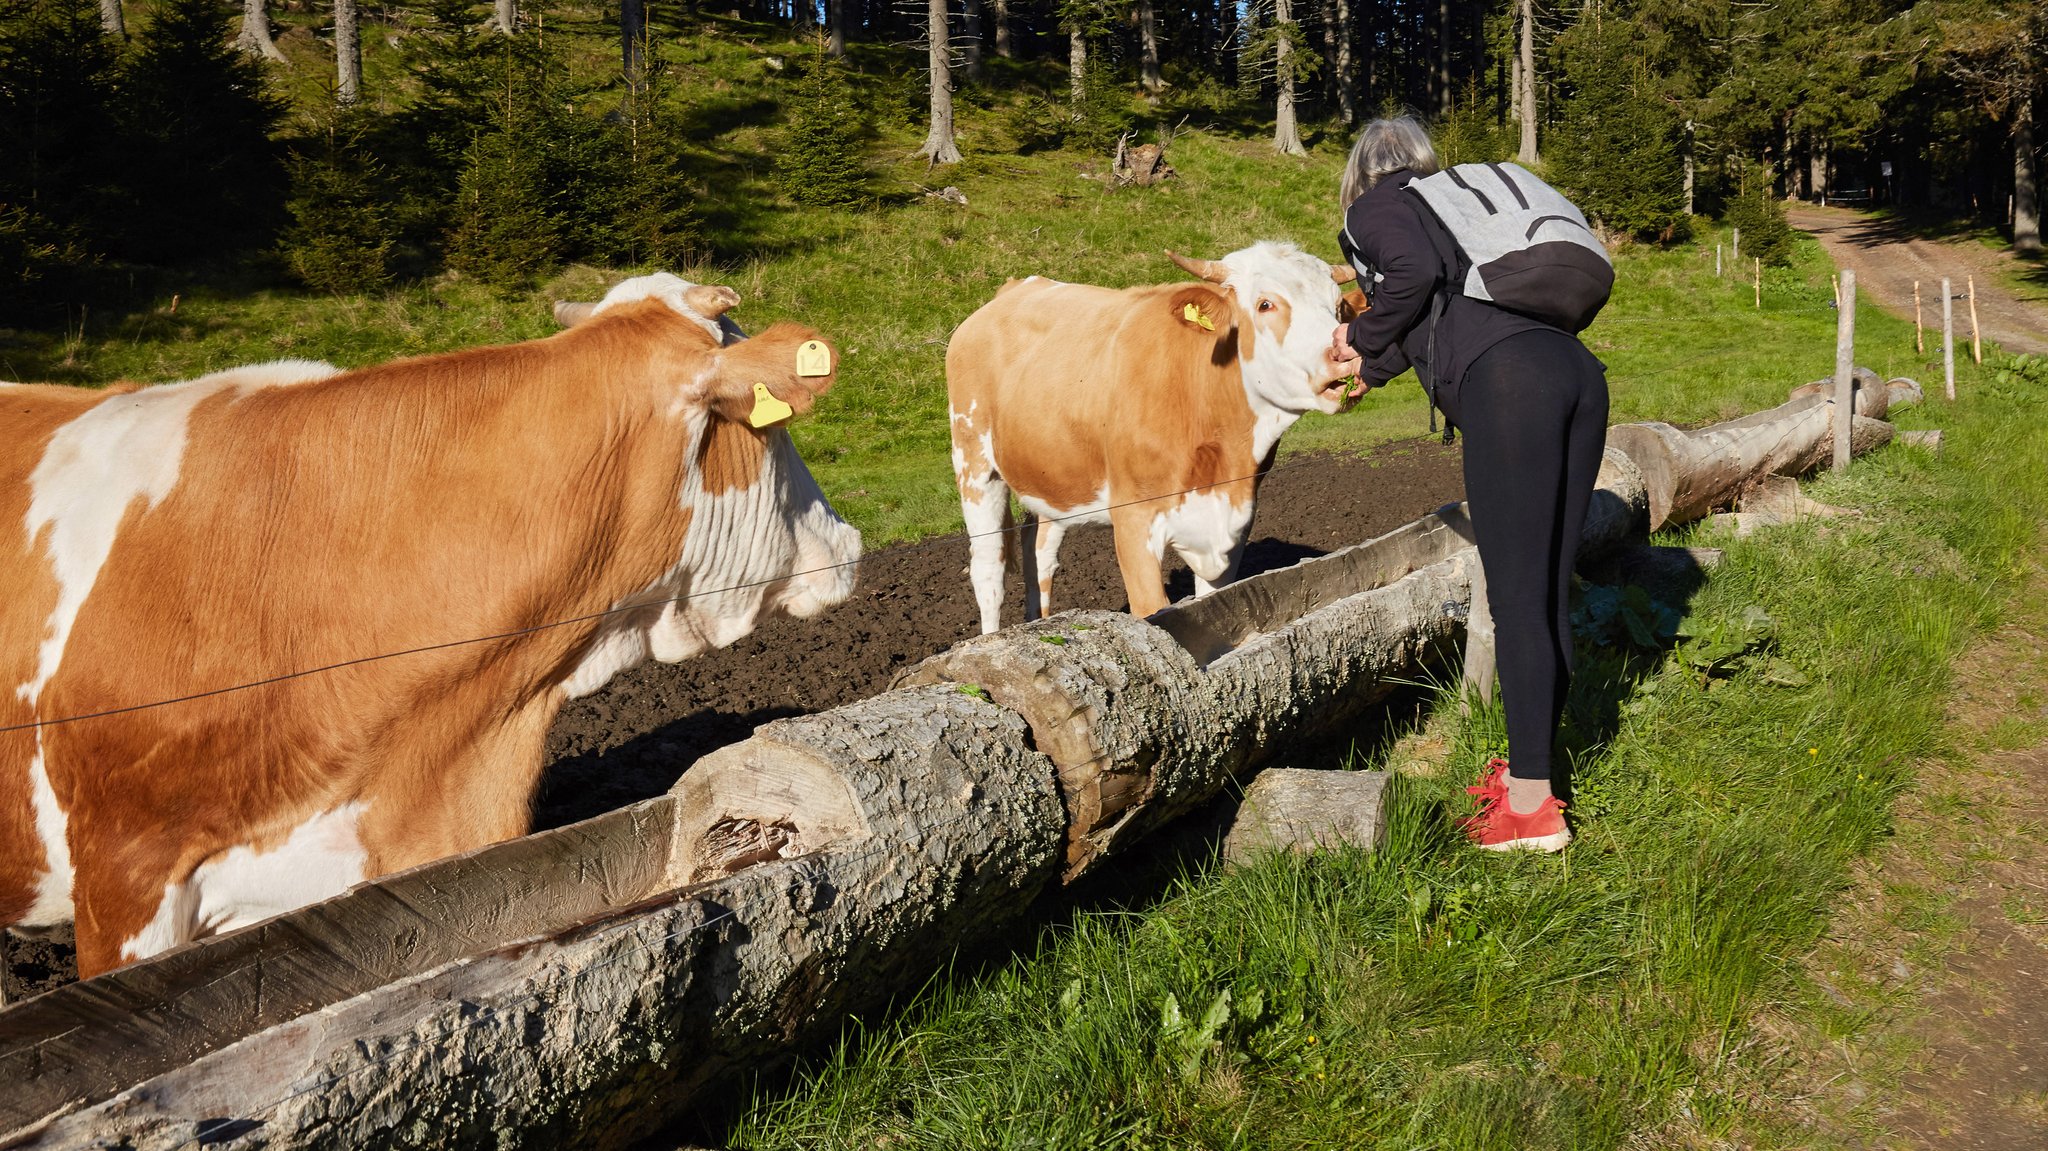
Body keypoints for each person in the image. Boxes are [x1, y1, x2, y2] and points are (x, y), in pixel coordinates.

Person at [1327, 115, 1608, 853]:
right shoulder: (1454, 206)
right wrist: (1374, 365)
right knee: (1545, 590)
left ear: (1362, 171)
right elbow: (1437, 311)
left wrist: (1355, 337)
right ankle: (1533, 776)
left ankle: (1529, 813)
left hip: (1512, 386)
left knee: (1515, 598)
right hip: (1577, 376)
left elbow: (1412, 280)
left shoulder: (1376, 206)